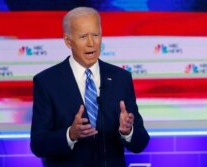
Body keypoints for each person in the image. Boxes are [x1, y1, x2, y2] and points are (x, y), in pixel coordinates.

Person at [30, 7, 150, 167]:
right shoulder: (47, 82)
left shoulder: (121, 78)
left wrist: (127, 131)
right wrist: (70, 135)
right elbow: (38, 144)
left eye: (95, 35)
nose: (91, 43)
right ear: (68, 41)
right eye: (83, 36)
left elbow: (141, 142)